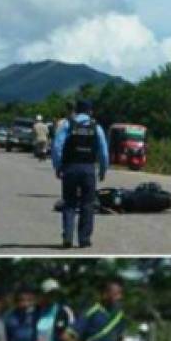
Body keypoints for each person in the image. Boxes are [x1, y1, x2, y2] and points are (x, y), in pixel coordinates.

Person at [52, 99, 109, 249]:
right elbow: (103, 152)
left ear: (76, 111)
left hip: (70, 168)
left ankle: (68, 237)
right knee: (88, 204)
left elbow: (57, 147)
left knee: (69, 203)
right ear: (90, 111)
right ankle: (84, 239)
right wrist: (103, 170)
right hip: (88, 169)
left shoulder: (67, 125)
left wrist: (58, 166)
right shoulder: (96, 127)